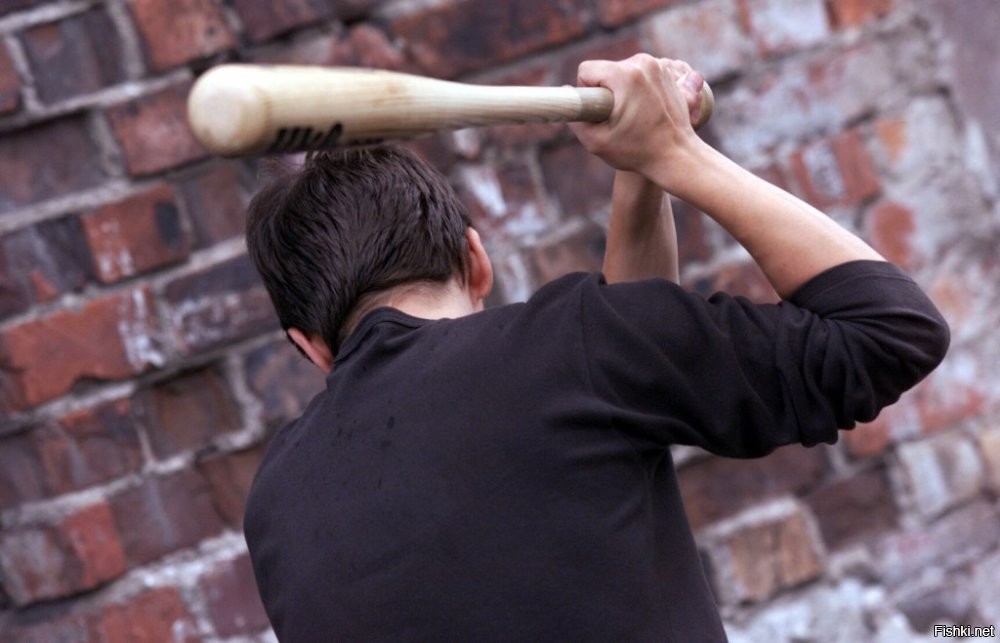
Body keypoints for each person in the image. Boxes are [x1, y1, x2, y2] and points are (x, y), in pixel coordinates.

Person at [242, 54, 950, 641]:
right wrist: (677, 153)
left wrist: (638, 170)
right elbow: (887, 329)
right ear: (476, 259)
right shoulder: (564, 350)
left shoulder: (276, 508)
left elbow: (626, 373)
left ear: (309, 348)